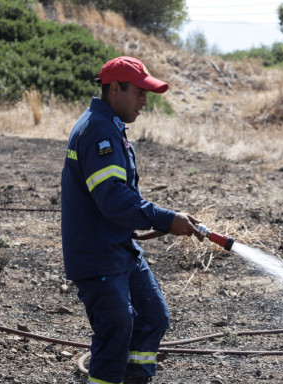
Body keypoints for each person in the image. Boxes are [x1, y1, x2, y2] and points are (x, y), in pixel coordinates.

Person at [61, 56, 204, 384]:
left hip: (119, 249)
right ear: (114, 88)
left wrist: (155, 223)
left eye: (147, 94)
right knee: (117, 330)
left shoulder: (110, 125)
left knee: (153, 317)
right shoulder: (98, 131)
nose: (144, 101)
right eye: (139, 92)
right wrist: (166, 219)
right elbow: (113, 199)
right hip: (98, 256)